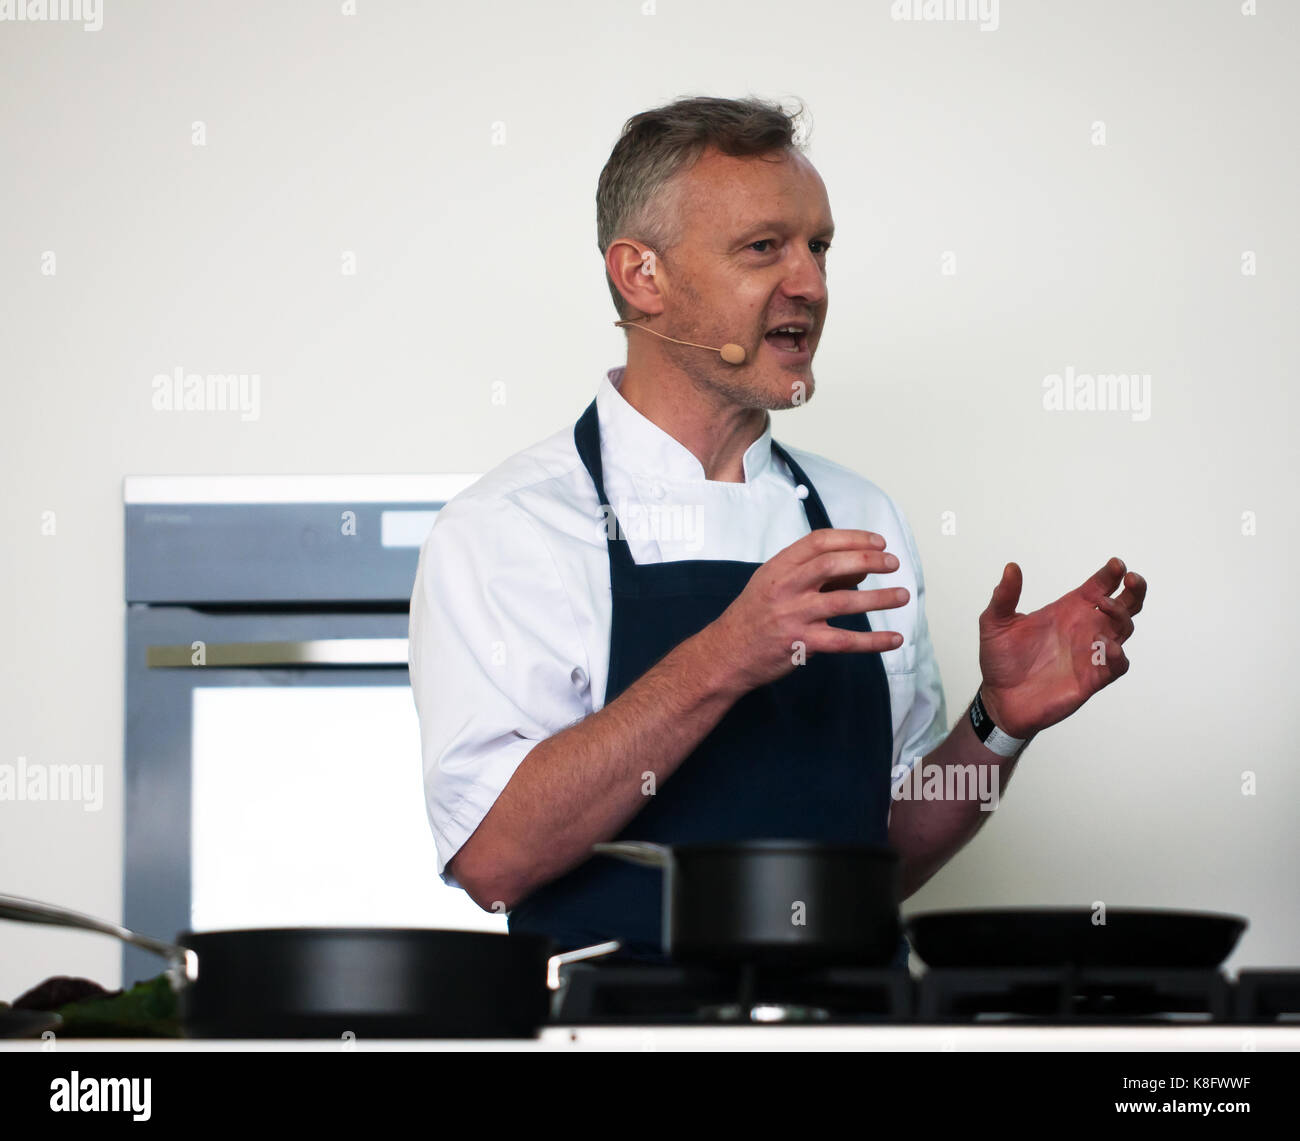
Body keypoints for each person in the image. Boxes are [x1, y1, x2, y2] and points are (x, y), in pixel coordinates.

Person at [407, 95, 1145, 963]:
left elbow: (887, 850)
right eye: (764, 249)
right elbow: (495, 858)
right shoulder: (510, 530)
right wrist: (725, 655)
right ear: (641, 274)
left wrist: (996, 724)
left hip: (851, 1030)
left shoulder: (861, 517)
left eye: (819, 247)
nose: (811, 285)